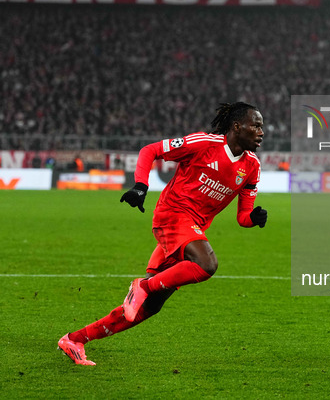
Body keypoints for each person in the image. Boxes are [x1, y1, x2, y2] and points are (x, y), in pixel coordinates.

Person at [58, 102, 268, 366]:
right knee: (207, 264)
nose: (262, 132)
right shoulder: (204, 143)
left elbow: (242, 217)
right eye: (256, 126)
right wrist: (140, 186)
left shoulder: (252, 166)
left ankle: (75, 339)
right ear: (237, 126)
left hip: (189, 232)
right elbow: (151, 150)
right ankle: (142, 286)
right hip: (172, 215)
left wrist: (254, 218)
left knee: (148, 308)